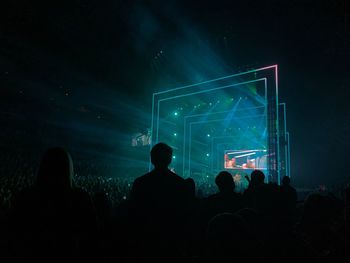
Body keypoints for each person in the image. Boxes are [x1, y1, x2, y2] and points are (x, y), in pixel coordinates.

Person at [10, 147, 97, 261]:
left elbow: (13, 237)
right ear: (69, 168)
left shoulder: (25, 197)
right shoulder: (80, 198)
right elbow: (92, 237)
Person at [128, 142, 189, 262]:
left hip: (146, 241)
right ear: (170, 159)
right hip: (172, 241)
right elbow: (185, 214)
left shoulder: (140, 183)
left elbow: (133, 213)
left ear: (152, 159)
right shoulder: (180, 184)